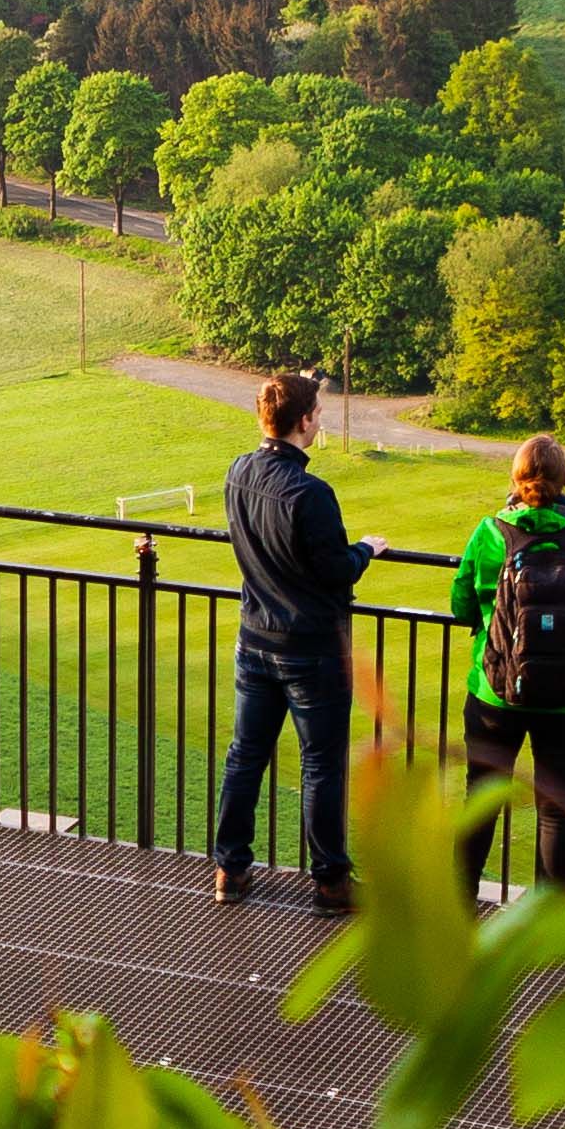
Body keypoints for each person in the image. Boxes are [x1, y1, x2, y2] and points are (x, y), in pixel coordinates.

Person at [207, 370, 376, 908]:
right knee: (321, 764)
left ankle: (230, 870)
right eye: (319, 414)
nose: (320, 421)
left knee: (245, 755)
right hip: (311, 650)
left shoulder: (238, 472)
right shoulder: (311, 493)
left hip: (254, 637)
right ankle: (329, 880)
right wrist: (368, 549)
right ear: (304, 422)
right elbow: (335, 572)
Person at [450, 433, 565, 896]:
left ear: (515, 479)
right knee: (557, 810)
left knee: (481, 800)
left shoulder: (491, 532)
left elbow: (460, 603)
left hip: (496, 691)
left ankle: (456, 906)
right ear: (564, 481)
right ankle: (547, 923)